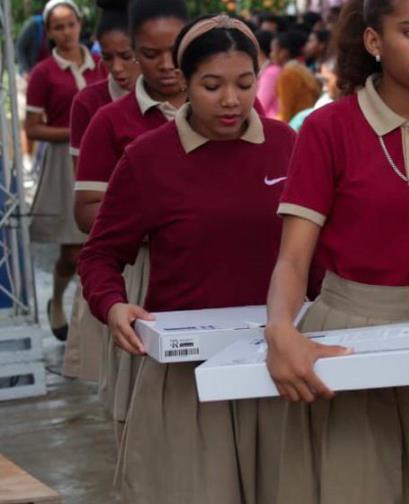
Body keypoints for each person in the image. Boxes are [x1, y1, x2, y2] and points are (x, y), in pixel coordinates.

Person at [262, 0, 409, 501]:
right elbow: (293, 260)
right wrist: (280, 329)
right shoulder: (327, 129)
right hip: (345, 345)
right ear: (373, 41)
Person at [78, 15, 296, 503]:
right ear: (184, 80)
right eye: (212, 86)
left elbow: (318, 254)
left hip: (277, 366)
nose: (231, 100)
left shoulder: (288, 146)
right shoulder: (148, 158)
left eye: (245, 84)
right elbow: (99, 255)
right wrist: (113, 305)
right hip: (188, 375)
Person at [74, 0, 190, 443]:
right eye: (150, 53)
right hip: (146, 278)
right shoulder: (110, 120)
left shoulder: (228, 108)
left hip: (220, 278)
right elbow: (86, 211)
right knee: (150, 415)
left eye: (175, 50)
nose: (166, 64)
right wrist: (156, 219)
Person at [62, 5, 141, 384]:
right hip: (121, 254)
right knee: (117, 380)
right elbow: (87, 203)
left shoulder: (193, 98)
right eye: (107, 58)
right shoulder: (92, 106)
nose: (118, 69)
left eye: (127, 56)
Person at [24, 0, 106, 342]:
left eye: (71, 24)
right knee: (72, 252)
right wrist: (76, 131)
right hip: (63, 159)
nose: (67, 32)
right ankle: (58, 299)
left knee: (103, 243)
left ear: (79, 24)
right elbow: (32, 127)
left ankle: (92, 322)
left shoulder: (102, 63)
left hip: (104, 155)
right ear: (49, 32)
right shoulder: (43, 72)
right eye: (59, 27)